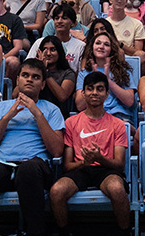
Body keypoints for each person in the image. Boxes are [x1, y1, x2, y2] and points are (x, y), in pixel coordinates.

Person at [0, 58, 64, 236]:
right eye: (25, 75)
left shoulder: (51, 109)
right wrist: (7, 117)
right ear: (17, 79)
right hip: (2, 164)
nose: (29, 79)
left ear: (42, 85)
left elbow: (57, 150)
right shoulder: (0, 108)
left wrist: (37, 113)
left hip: (36, 165)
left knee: (28, 169)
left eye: (35, 77)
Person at [50, 70, 131, 236]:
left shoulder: (118, 124)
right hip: (81, 170)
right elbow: (67, 165)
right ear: (83, 93)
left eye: (100, 89)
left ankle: (125, 232)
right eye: (90, 88)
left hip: (106, 170)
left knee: (117, 188)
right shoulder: (71, 123)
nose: (95, 93)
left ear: (107, 94)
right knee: (56, 191)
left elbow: (119, 165)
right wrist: (84, 163)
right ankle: (65, 233)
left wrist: (100, 158)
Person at [75, 31, 136, 123]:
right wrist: (94, 81)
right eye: (98, 43)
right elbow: (80, 106)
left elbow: (130, 101)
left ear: (112, 49)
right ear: (92, 47)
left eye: (106, 44)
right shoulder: (84, 73)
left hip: (118, 117)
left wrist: (108, 81)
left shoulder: (123, 71)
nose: (101, 47)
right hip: (92, 117)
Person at [32, 34, 77, 116]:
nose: (48, 53)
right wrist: (36, 68)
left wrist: (45, 72)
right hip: (34, 112)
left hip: (58, 115)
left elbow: (62, 96)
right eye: (45, 50)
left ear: (59, 52)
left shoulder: (68, 73)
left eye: (53, 50)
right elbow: (15, 94)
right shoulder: (34, 71)